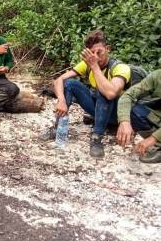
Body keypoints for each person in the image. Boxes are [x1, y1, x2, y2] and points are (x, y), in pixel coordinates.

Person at [42, 29, 131, 157]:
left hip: (116, 115)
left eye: (99, 52)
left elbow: (111, 93)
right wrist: (61, 100)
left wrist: (94, 66)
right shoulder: (88, 64)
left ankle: (97, 138)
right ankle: (57, 128)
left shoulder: (120, 67)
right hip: (98, 110)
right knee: (70, 83)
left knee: (104, 90)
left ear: (108, 49)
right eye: (92, 53)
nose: (95, 56)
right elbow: (59, 80)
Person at [117, 69, 161, 163]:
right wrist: (124, 121)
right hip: (158, 116)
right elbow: (127, 95)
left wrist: (153, 138)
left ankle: (157, 144)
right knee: (134, 110)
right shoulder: (157, 75)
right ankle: (158, 144)